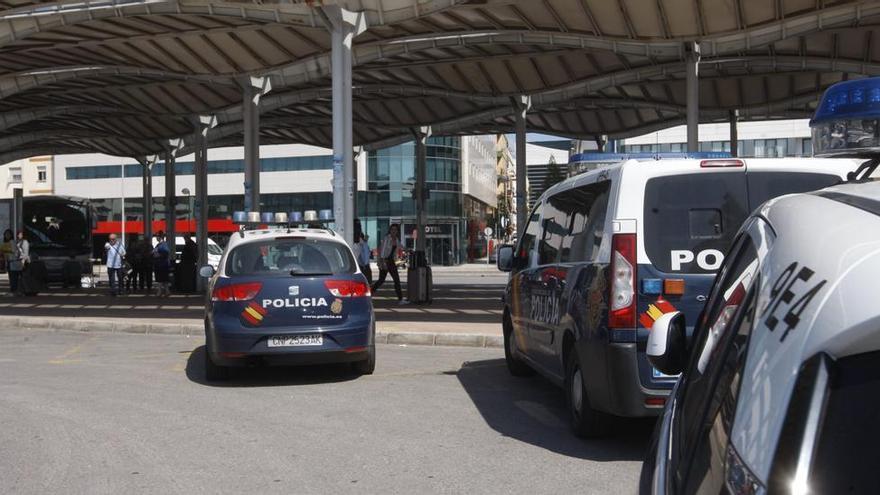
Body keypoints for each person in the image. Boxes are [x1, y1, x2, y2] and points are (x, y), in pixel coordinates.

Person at [371, 224, 407, 304]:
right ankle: (369, 294)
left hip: (391, 261)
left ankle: (400, 299)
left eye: (395, 230)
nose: (394, 231)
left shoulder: (396, 239)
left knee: (396, 280)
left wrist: (407, 249)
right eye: (392, 229)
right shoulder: (387, 238)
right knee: (381, 280)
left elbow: (401, 246)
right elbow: (383, 250)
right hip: (385, 261)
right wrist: (383, 262)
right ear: (390, 230)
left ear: (397, 231)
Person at [153, 231, 171, 297]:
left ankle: (160, 291)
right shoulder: (159, 245)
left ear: (160, 237)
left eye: (157, 236)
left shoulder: (163, 245)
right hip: (161, 264)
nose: (156, 238)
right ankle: (167, 291)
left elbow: (166, 253)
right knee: (164, 279)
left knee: (160, 279)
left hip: (162, 264)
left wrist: (157, 255)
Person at [12, 231, 30, 296]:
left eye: (20, 234)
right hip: (18, 261)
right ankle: (21, 290)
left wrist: (23, 261)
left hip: (23, 261)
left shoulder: (25, 242)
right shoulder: (18, 242)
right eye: (18, 234)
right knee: (20, 277)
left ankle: (25, 290)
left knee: (23, 276)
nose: (19, 235)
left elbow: (26, 253)